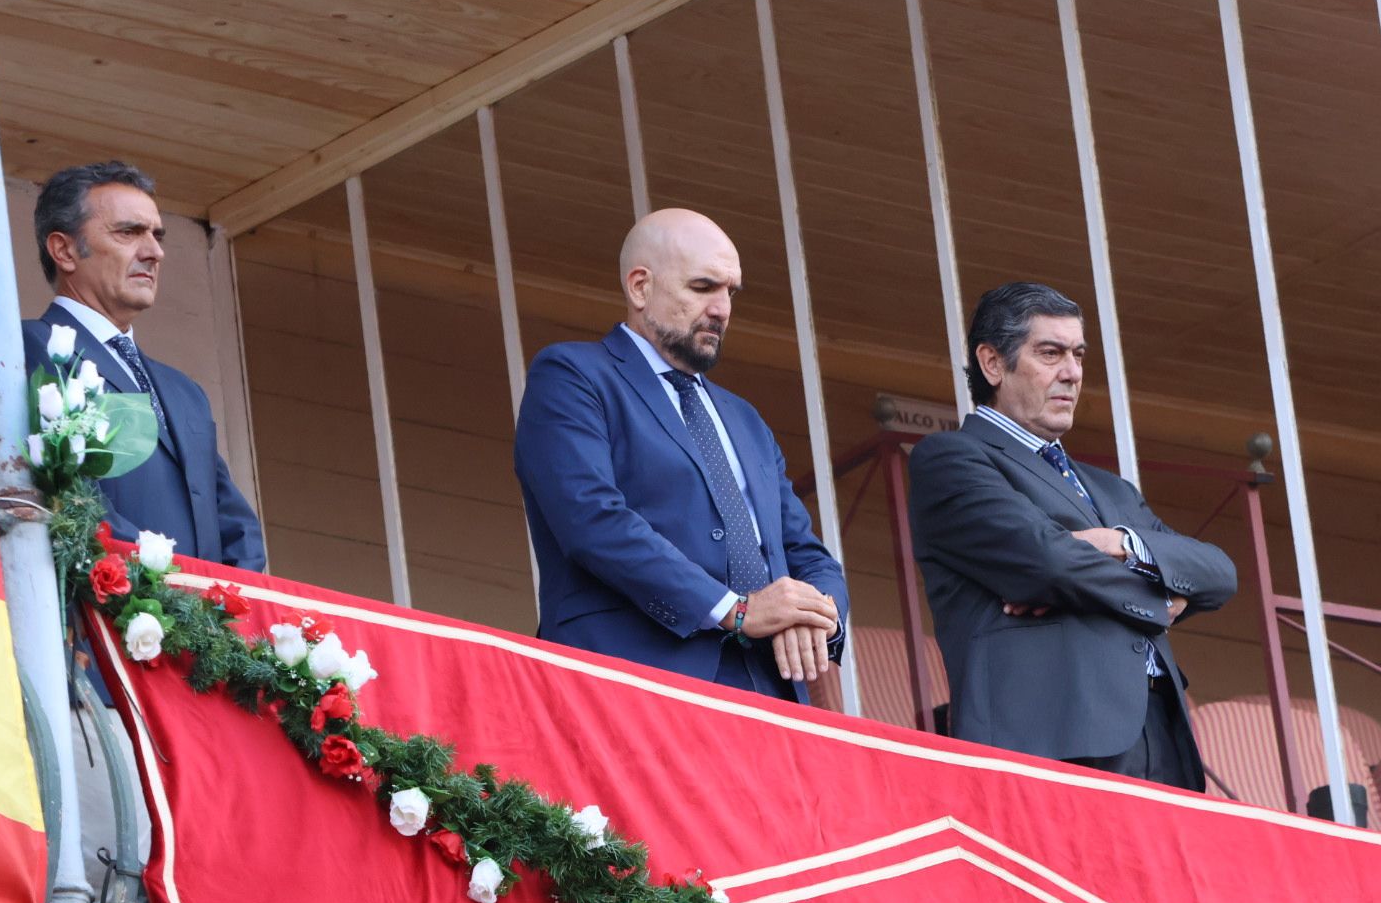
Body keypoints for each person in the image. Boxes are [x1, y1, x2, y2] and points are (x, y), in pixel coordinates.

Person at [907, 282, 1236, 789]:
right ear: (993, 364)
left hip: (1161, 738)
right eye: (1050, 353)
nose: (1073, 373)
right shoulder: (952, 459)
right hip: (1051, 739)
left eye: (1078, 355)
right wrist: (1162, 593)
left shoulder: (1114, 491)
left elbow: (1219, 572)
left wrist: (1124, 544)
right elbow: (1049, 564)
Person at [513, 208, 847, 701]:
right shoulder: (573, 375)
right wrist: (734, 610)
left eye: (730, 292)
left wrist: (813, 614)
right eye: (702, 287)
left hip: (771, 694)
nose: (722, 308)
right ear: (640, 287)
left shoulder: (746, 419)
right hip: (631, 683)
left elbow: (806, 554)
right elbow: (593, 520)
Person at [22, 161, 265, 571]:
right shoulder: (25, 347)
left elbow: (233, 524)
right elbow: (69, 499)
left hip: (194, 627)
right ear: (63, 250)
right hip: (99, 621)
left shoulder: (184, 391)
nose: (154, 252)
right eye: (129, 232)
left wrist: (223, 616)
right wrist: (165, 584)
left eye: (156, 235)